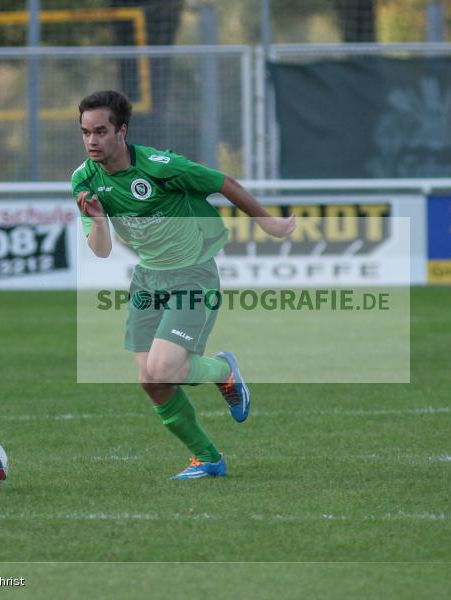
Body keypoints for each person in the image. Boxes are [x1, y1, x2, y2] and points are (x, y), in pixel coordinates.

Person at [72, 90, 296, 480]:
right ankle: (208, 458)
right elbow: (102, 251)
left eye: (101, 131)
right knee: (152, 382)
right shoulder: (84, 179)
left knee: (163, 367)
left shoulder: (161, 166)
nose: (92, 141)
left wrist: (268, 222)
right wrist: (99, 221)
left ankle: (223, 370)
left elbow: (223, 182)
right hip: (148, 278)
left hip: (193, 273)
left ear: (121, 132)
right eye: (86, 132)